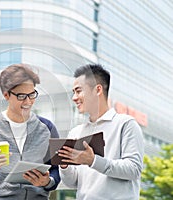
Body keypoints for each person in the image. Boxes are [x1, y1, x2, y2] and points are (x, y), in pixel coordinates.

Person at [0, 63, 60, 199]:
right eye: (21, 96)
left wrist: (47, 181)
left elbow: (55, 171)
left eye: (32, 94)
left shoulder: (48, 128)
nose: (28, 102)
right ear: (6, 95)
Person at [58, 64, 144, 199]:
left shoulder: (126, 124)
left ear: (98, 90)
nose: (74, 98)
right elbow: (72, 182)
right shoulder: (76, 132)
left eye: (78, 91)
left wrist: (93, 161)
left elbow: (133, 170)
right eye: (73, 92)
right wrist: (64, 166)